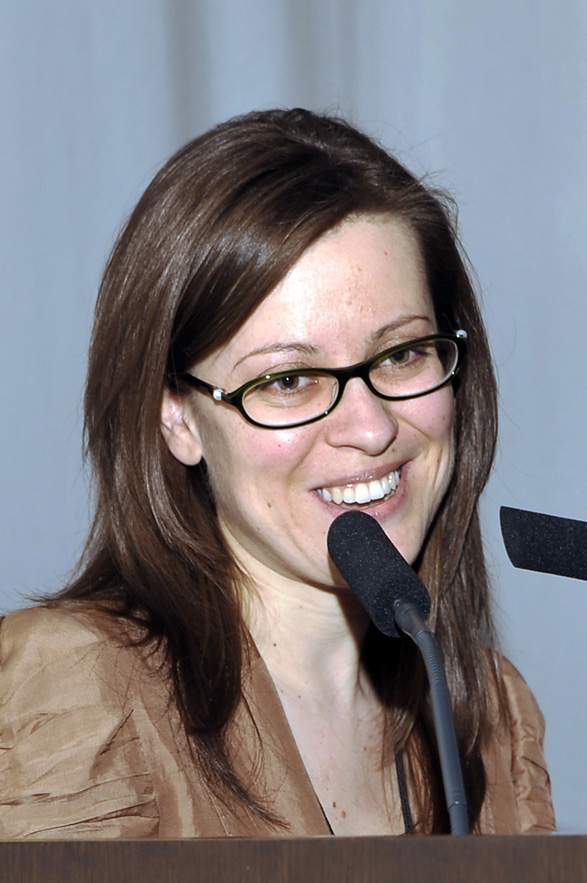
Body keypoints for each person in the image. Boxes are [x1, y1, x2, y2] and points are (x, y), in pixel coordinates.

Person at [0, 108, 555, 839]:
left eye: (400, 355)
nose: (370, 427)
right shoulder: (74, 686)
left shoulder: (489, 714)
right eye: (289, 380)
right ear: (177, 416)